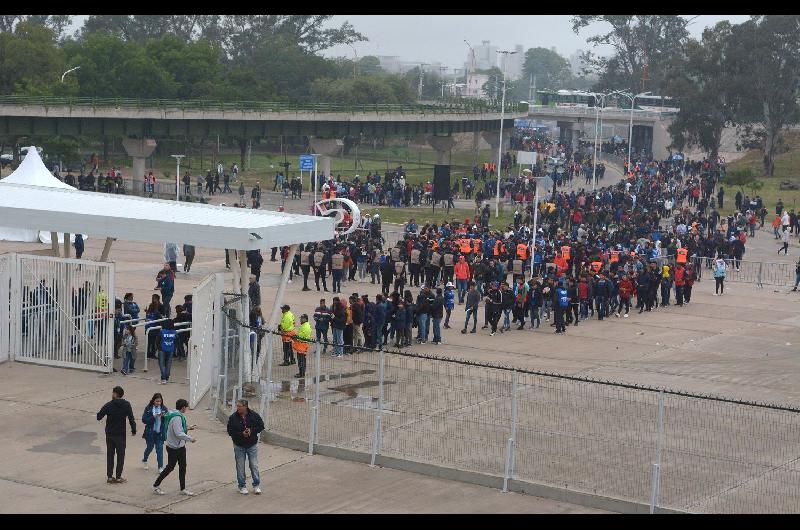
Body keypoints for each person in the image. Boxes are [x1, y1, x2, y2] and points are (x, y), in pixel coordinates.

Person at [153, 399, 196, 496]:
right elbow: (178, 433)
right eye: (186, 407)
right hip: (175, 447)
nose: (186, 409)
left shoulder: (172, 413)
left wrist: (188, 427)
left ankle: (183, 488)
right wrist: (190, 439)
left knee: (182, 467)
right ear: (183, 407)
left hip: (178, 446)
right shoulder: (177, 417)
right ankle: (156, 485)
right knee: (170, 467)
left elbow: (176, 428)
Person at [96, 386, 136, 484]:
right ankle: (118, 477)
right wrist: (133, 429)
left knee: (110, 455)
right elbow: (131, 418)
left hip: (110, 434)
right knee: (120, 456)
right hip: (120, 435)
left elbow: (98, 416)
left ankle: (110, 477)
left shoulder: (109, 405)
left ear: (115, 394)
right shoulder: (126, 405)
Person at [227, 399, 265, 495]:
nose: (238, 408)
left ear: (245, 407)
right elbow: (230, 431)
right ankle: (242, 486)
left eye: (240, 406)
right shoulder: (233, 418)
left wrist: (251, 431)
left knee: (254, 465)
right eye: (237, 406)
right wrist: (241, 434)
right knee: (240, 467)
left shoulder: (254, 415)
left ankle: (256, 485)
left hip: (251, 445)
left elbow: (261, 426)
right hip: (239, 446)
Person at [141, 393, 166, 473]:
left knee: (159, 450)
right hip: (150, 433)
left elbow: (167, 419)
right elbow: (144, 420)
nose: (158, 403)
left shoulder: (164, 408)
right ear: (153, 401)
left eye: (160, 401)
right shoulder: (148, 408)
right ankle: (144, 460)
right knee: (149, 448)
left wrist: (164, 416)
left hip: (159, 433)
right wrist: (154, 416)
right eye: (157, 401)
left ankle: (160, 467)